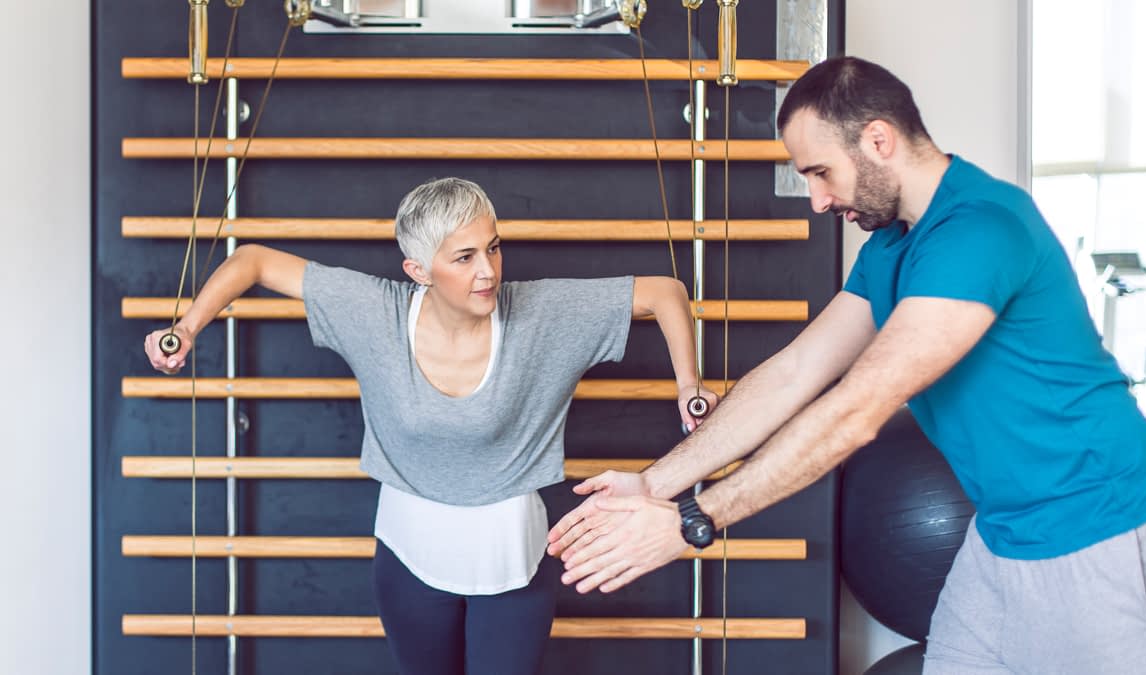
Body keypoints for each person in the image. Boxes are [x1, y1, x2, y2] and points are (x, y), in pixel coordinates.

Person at [546, 56, 1146, 674]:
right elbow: (797, 371)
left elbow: (857, 410)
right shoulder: (894, 242)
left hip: (1109, 536)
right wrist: (656, 484)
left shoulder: (981, 229)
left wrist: (696, 519)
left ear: (879, 141)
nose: (817, 201)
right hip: (1002, 539)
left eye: (820, 172)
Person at [143, 177, 718, 675]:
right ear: (418, 270)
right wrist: (189, 327)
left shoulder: (543, 313)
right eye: (463, 257)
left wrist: (687, 385)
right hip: (408, 552)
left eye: (493, 248)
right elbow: (254, 261)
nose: (488, 270)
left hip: (511, 557)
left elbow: (665, 294)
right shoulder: (374, 309)